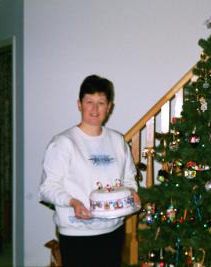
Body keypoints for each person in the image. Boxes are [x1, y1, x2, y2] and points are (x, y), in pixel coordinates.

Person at [39, 74, 140, 267]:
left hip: (113, 229)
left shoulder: (118, 141)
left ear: (109, 107)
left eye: (101, 102)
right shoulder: (63, 143)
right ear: (79, 104)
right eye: (89, 102)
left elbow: (129, 178)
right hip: (77, 233)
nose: (95, 109)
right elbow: (47, 188)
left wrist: (132, 192)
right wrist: (73, 202)